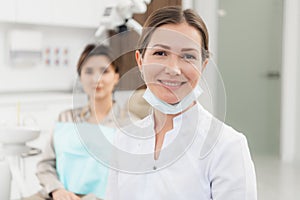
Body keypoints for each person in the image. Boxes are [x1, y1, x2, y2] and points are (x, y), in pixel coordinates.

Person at [105, 6, 257, 200]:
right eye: (160, 53)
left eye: (188, 56)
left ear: (203, 65)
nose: (173, 69)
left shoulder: (227, 146)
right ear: (140, 61)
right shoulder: (124, 139)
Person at [27, 44, 123, 200]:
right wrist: (57, 190)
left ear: (116, 77)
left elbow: (133, 181)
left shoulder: (130, 126)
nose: (96, 78)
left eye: (104, 71)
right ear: (80, 77)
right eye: (89, 71)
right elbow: (45, 165)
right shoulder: (65, 119)